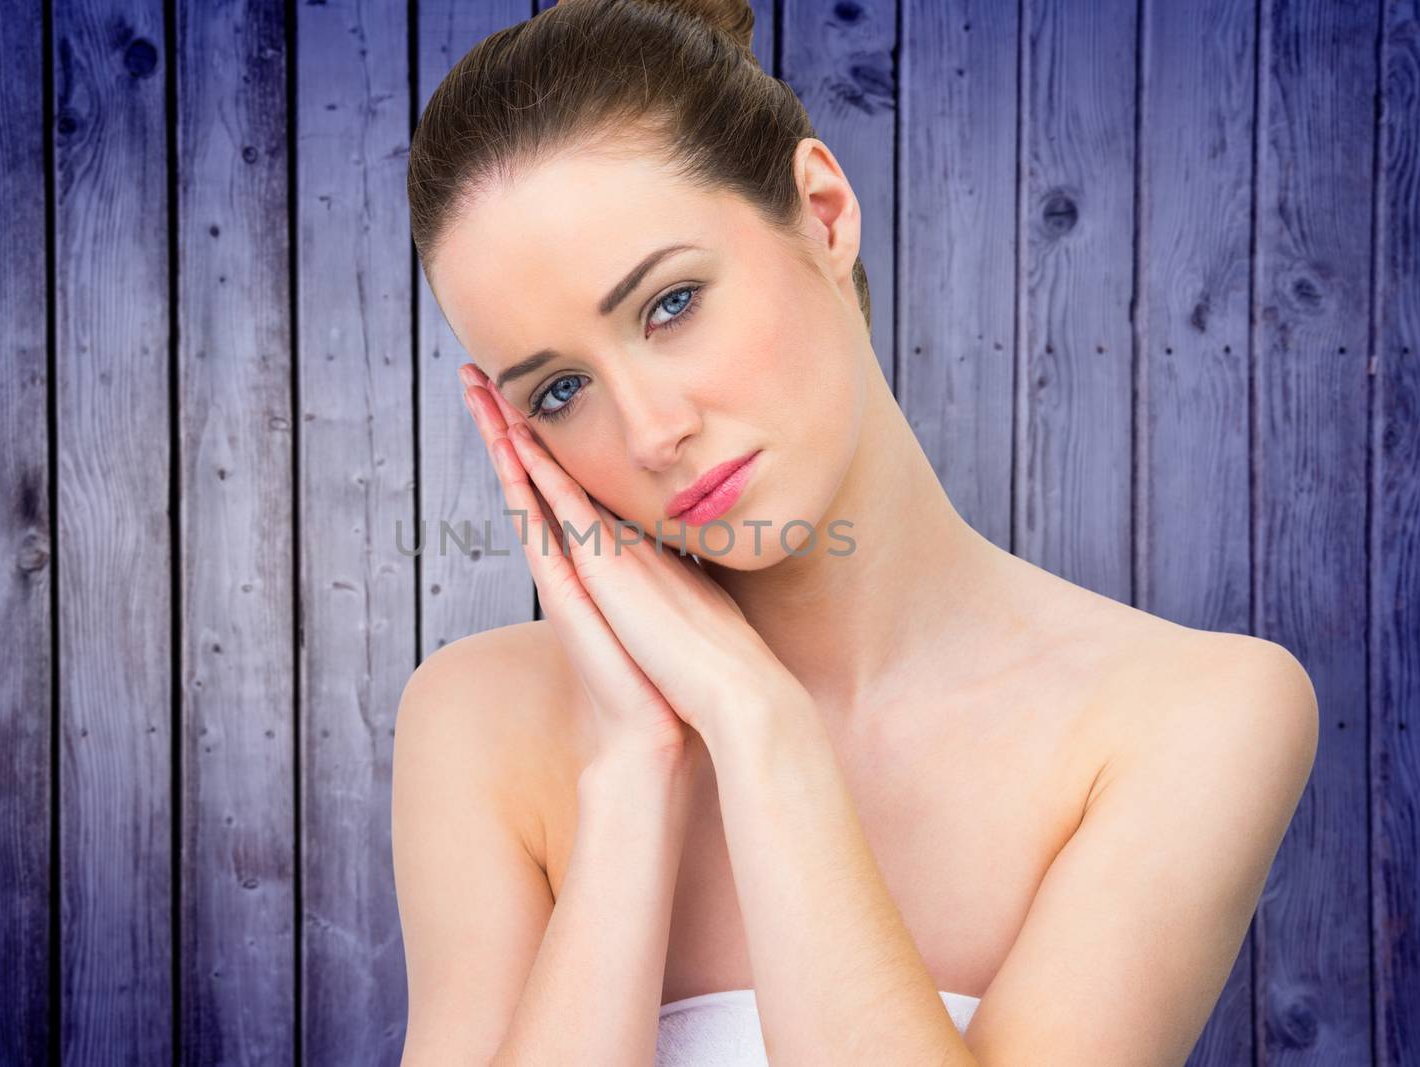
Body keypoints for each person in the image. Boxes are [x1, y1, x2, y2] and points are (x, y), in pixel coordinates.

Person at [391, 1, 1319, 1063]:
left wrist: (762, 727)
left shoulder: (1190, 714)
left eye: (671, 302)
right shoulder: (478, 721)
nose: (651, 431)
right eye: (559, 390)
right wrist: (632, 771)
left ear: (823, 214)